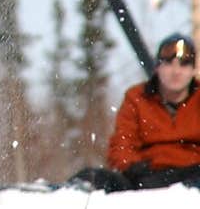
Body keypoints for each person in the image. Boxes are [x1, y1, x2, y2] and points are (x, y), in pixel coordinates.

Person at [71, 33, 200, 192]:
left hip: (193, 176)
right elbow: (121, 142)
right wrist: (131, 166)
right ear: (158, 67)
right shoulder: (137, 97)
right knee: (93, 176)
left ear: (193, 69)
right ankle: (64, 193)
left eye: (184, 64)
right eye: (169, 63)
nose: (176, 71)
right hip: (146, 177)